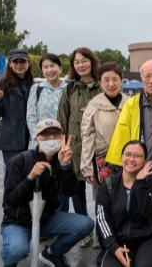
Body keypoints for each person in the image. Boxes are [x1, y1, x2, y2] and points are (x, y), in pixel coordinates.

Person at [105, 59, 152, 267]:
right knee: (136, 215)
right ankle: (133, 251)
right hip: (139, 175)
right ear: (142, 80)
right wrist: (120, 170)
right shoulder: (132, 104)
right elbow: (122, 137)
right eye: (147, 76)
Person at [0, 118, 94, 267]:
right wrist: (30, 178)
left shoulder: (61, 159)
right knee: (16, 250)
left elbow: (70, 191)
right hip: (18, 222)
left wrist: (66, 167)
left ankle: (51, 254)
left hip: (46, 219)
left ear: (61, 137)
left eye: (55, 134)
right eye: (45, 134)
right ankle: (8, 261)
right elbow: (9, 200)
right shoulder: (20, 161)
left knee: (86, 224)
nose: (50, 138)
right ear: (36, 139)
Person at [81, 62, 129, 263]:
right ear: (100, 83)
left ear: (121, 81)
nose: (111, 84)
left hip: (128, 162)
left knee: (126, 203)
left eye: (115, 79)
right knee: (104, 205)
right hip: (102, 162)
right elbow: (87, 135)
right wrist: (86, 166)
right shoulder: (94, 105)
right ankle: (105, 245)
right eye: (106, 80)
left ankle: (125, 243)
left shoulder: (130, 102)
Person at [57, 47, 101, 247]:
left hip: (100, 145)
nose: (81, 65)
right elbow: (62, 119)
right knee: (77, 191)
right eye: (77, 62)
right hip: (76, 145)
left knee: (102, 190)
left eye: (84, 60)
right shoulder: (69, 89)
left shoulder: (103, 84)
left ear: (92, 61)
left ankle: (103, 231)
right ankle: (85, 231)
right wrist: (63, 146)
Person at [97, 141, 152, 267]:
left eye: (138, 156)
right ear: (121, 157)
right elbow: (102, 219)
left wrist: (141, 183)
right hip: (118, 240)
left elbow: (147, 211)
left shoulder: (150, 183)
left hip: (147, 239)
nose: (131, 159)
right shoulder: (109, 184)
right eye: (128, 154)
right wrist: (113, 247)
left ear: (145, 160)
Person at [0, 49, 33, 166]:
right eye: (15, 62)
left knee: (30, 176)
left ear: (28, 63)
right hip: (11, 140)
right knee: (14, 176)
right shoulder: (1, 84)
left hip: (31, 139)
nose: (19, 65)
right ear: (10, 64)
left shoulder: (33, 84)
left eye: (22, 61)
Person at [27, 53, 67, 150]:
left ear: (60, 69)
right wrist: (36, 138)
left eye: (52, 66)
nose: (49, 70)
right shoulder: (37, 88)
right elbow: (31, 116)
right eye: (45, 67)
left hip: (62, 143)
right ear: (42, 71)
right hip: (40, 143)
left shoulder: (68, 89)